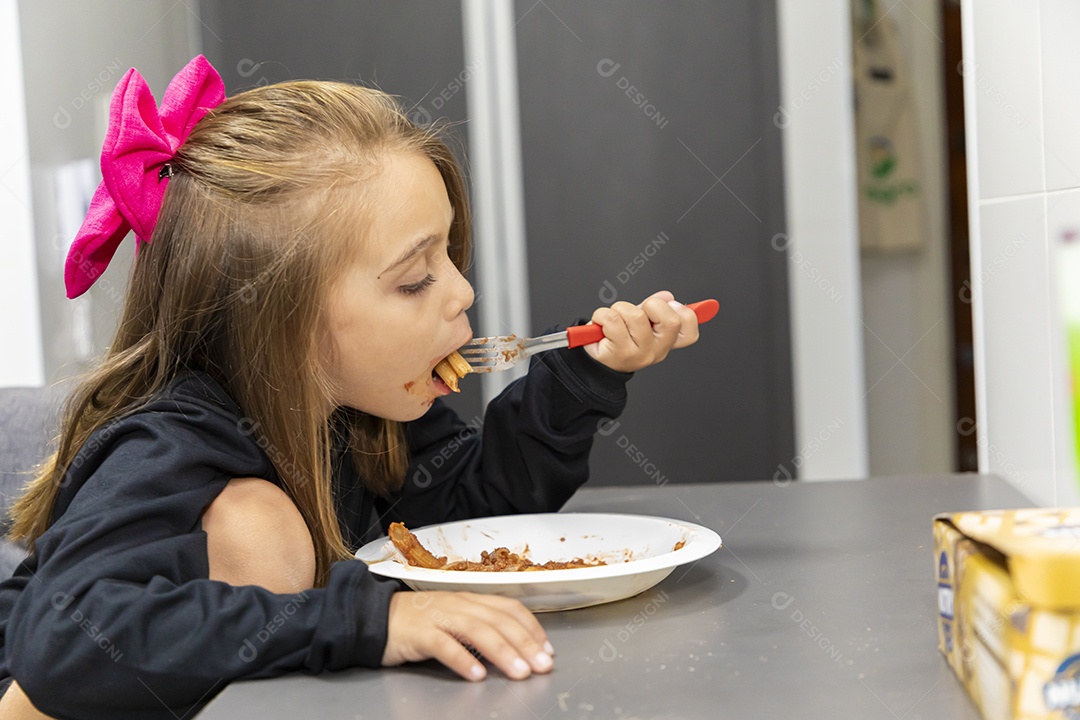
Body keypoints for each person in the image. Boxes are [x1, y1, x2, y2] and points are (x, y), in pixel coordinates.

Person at [0, 56, 701, 719]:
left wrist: (584, 377)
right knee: (260, 526)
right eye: (415, 279)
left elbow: (471, 510)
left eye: (450, 256)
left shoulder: (355, 411)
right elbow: (65, 637)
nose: (463, 292)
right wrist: (374, 619)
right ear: (280, 319)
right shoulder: (169, 442)